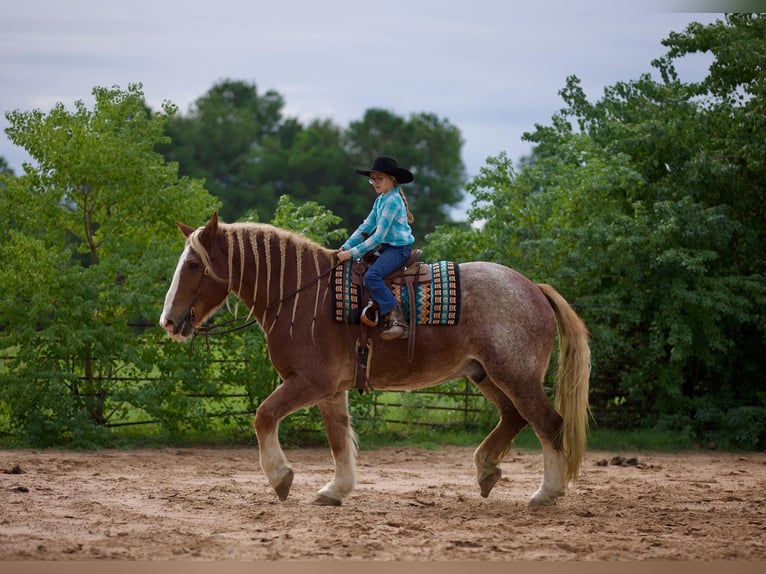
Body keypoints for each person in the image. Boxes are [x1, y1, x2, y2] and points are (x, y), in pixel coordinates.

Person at [336, 156, 415, 340]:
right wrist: (344, 246)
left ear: (392, 179)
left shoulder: (393, 201)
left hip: (398, 250)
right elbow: (366, 226)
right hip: (388, 248)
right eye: (373, 179)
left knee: (372, 276)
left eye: (379, 178)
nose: (374, 183)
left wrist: (351, 253)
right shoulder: (381, 200)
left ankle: (398, 320)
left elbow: (378, 236)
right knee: (358, 267)